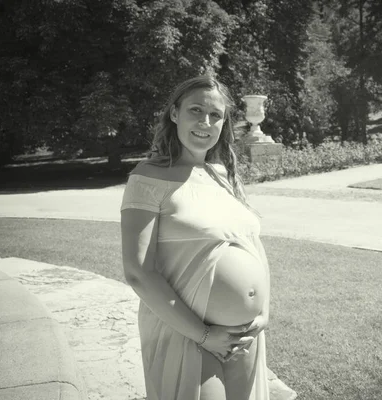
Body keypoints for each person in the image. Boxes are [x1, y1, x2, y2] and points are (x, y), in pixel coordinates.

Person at [120, 75, 270, 400]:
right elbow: (138, 272)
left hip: (245, 336)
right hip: (187, 335)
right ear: (174, 113)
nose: (205, 121)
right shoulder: (147, 178)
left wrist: (263, 312)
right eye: (196, 110)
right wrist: (204, 336)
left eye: (215, 115)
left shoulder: (221, 175)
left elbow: (252, 244)